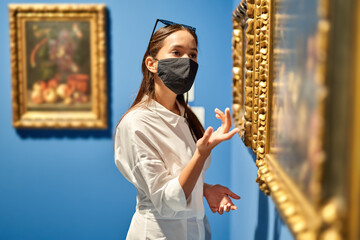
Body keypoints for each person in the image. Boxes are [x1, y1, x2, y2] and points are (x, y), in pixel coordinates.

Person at [114, 19, 240, 240]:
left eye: (192, 55)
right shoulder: (136, 123)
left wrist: (205, 189)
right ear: (152, 64)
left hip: (198, 231)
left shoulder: (186, 115)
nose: (187, 61)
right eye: (176, 52)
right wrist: (201, 154)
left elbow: (179, 177)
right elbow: (166, 201)